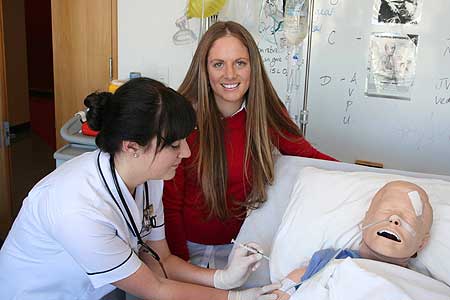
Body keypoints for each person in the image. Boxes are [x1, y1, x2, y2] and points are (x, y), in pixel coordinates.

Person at [0, 78, 280, 300]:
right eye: (173, 145)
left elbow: (160, 260)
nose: (185, 152)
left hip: (95, 286)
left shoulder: (150, 178)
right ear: (132, 147)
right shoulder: (78, 209)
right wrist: (235, 297)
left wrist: (222, 278)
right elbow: (156, 288)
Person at [163, 21, 337, 269]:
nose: (230, 74)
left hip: (243, 248)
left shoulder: (266, 114)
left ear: (253, 67)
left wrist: (372, 180)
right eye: (218, 64)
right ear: (204, 69)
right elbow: (169, 205)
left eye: (240, 63)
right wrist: (181, 265)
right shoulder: (181, 119)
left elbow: (311, 158)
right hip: (186, 250)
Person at [274, 180, 433, 299]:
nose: (394, 219)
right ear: (364, 222)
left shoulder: (423, 286)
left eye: (410, 218)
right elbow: (284, 291)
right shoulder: (329, 260)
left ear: (422, 243)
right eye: (386, 210)